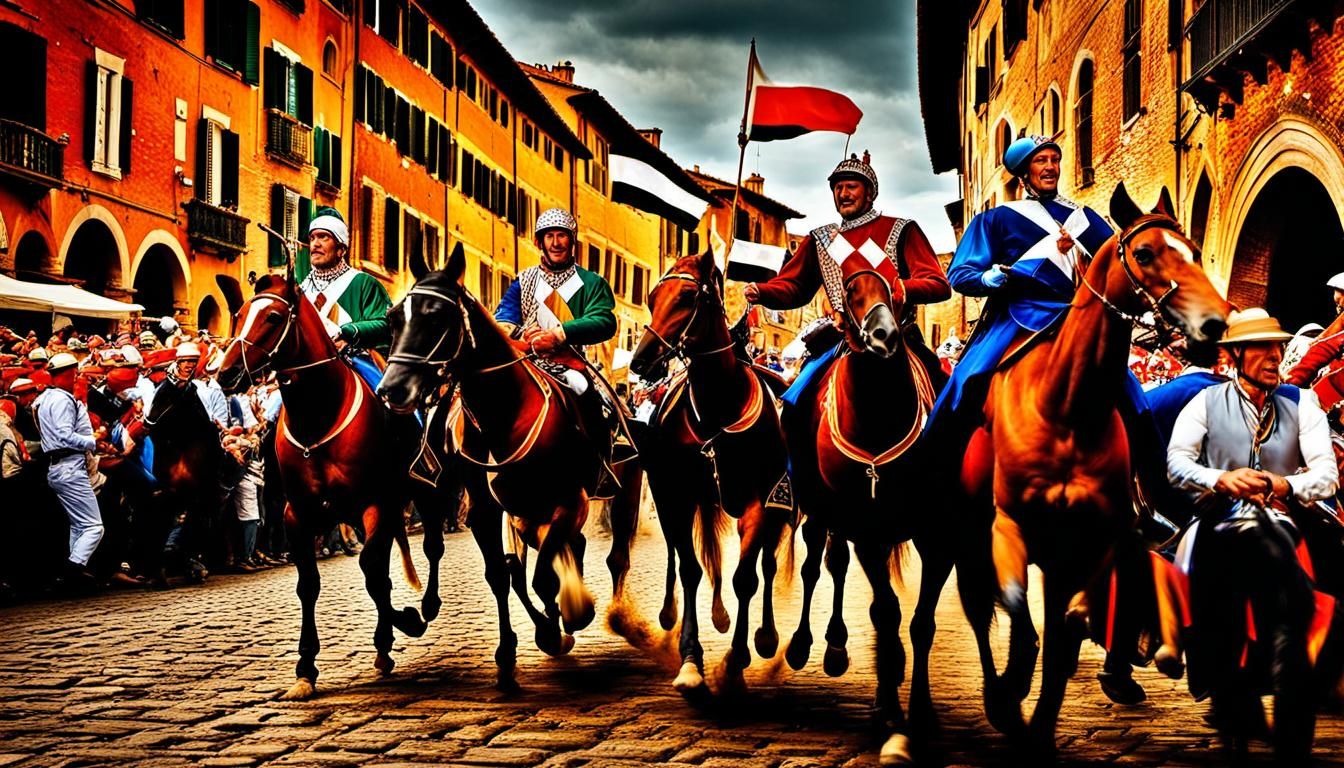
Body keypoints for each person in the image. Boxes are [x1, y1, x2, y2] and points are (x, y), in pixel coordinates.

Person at [1167, 308, 1336, 761]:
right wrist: (1218, 479)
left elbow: (1327, 474)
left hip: (1282, 518)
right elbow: (1176, 463)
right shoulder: (1204, 403)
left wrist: (1286, 485)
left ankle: (1296, 669)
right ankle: (1206, 665)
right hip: (1216, 519)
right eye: (1262, 347)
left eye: (1277, 346)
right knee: (1190, 581)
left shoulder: (1302, 404)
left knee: (1309, 581)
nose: (1274, 355)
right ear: (1236, 354)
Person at [742, 151, 950, 505]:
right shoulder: (822, 239)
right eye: (837, 188)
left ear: (869, 192)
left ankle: (952, 487)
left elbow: (937, 282)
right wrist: (761, 291)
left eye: (851, 186)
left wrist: (901, 288)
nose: (843, 194)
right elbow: (794, 286)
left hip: (899, 338)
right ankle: (792, 487)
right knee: (793, 406)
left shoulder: (902, 229)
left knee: (950, 399)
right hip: (843, 341)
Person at [930, 134, 1117, 430]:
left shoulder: (1086, 219)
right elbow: (961, 274)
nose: (1050, 167)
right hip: (1017, 314)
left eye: (1055, 160)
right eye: (1041, 161)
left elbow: (1116, 266)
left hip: (1078, 316)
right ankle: (936, 465)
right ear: (1024, 173)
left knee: (1133, 398)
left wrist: (1080, 251)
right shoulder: (997, 219)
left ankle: (1152, 471)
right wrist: (988, 278)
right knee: (964, 384)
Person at [494, 207, 626, 491]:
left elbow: (604, 320)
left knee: (588, 396)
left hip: (569, 363)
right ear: (539, 242)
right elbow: (502, 320)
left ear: (571, 241)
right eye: (549, 236)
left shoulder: (591, 283)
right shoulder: (523, 281)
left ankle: (600, 466)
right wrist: (522, 332)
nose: (555, 242)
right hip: (526, 361)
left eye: (561, 236)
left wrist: (559, 333)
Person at [298, 207, 393, 391]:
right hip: (305, 367)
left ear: (341, 249)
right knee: (269, 410)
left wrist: (349, 331)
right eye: (312, 238)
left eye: (323, 237)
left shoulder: (363, 283)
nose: (315, 244)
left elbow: (386, 324)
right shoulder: (301, 289)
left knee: (391, 402)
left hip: (357, 361)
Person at [32, 353, 105, 586]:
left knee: (79, 525)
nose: (76, 377)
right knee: (94, 527)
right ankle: (72, 568)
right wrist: (93, 441)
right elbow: (64, 435)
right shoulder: (63, 399)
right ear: (67, 372)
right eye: (74, 372)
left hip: (58, 467)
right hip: (69, 467)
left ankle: (75, 572)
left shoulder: (43, 399)